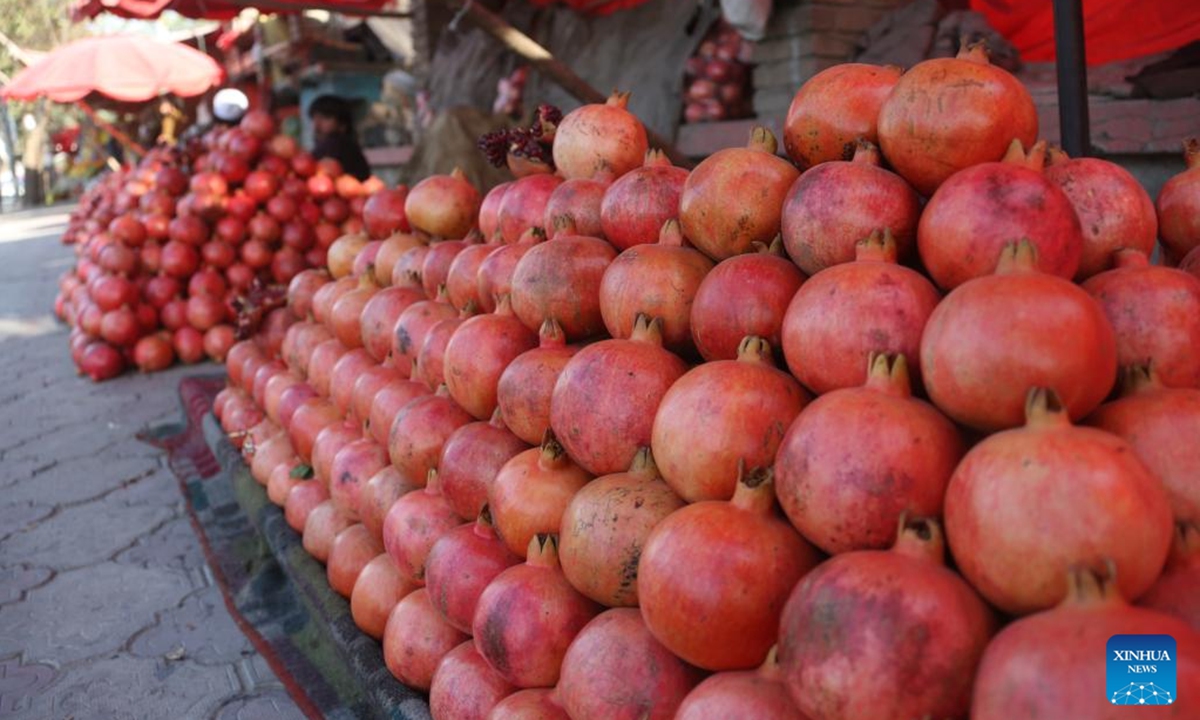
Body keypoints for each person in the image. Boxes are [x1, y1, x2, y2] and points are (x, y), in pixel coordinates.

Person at [308, 95, 371, 181]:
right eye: (314, 118)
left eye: (326, 118)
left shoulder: (336, 144)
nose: (316, 125)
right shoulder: (351, 146)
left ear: (342, 125)